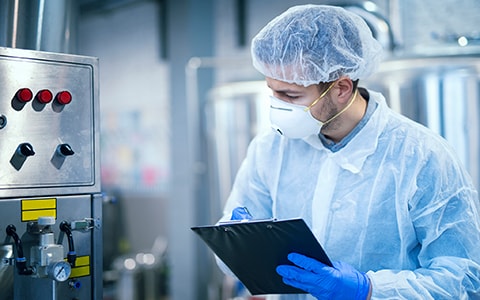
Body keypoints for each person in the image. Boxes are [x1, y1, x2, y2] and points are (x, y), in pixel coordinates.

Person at [216, 4, 480, 300]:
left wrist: (368, 290)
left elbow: (463, 277)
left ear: (341, 88)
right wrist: (235, 241)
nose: (277, 106)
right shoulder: (270, 149)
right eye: (272, 91)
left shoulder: (421, 156)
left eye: (291, 95)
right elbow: (235, 259)